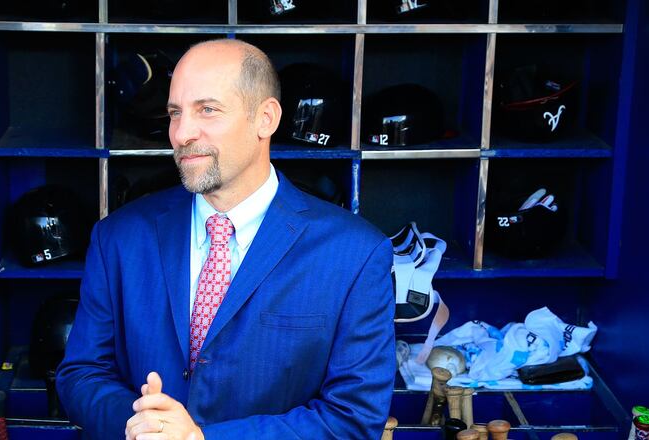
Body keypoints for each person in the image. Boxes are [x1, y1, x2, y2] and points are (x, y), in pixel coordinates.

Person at [56, 38, 396, 440]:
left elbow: (353, 417)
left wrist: (200, 438)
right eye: (175, 113)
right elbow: (81, 373)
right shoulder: (119, 237)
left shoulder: (354, 253)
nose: (182, 133)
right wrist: (142, 426)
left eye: (208, 110)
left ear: (265, 118)